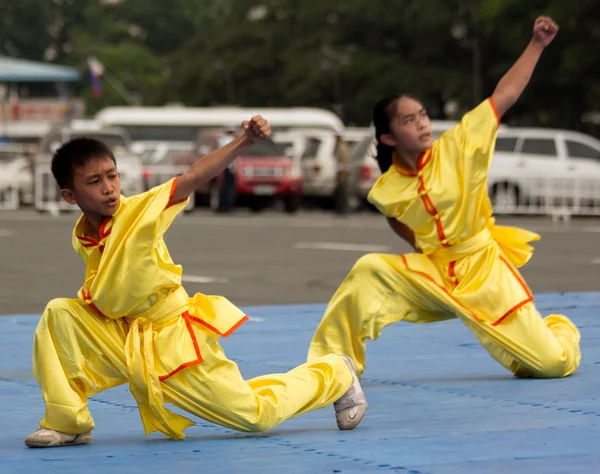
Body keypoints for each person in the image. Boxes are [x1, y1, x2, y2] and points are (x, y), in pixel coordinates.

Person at [25, 115, 367, 448]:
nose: (108, 188)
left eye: (112, 176)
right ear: (70, 196)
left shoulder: (140, 211)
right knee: (60, 313)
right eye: (94, 181)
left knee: (253, 415)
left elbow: (193, 175)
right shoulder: (81, 236)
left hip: (172, 336)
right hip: (124, 334)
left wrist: (245, 140)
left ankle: (334, 372)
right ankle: (66, 422)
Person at [307, 17, 581, 382]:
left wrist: (537, 44)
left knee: (551, 366)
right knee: (369, 269)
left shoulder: (460, 145)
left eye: (422, 115)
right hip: (434, 274)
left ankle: (556, 329)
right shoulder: (385, 188)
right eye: (408, 120)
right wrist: (418, 245)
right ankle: (332, 368)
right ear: (388, 138)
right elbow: (394, 215)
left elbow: (504, 95)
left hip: (484, 272)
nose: (422, 124)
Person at [333, 133, 351, 214]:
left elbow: (343, 162)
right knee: (341, 191)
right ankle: (341, 208)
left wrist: (342, 175)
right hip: (341, 171)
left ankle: (342, 208)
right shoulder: (340, 147)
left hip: (342, 172)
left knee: (342, 191)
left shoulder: (341, 147)